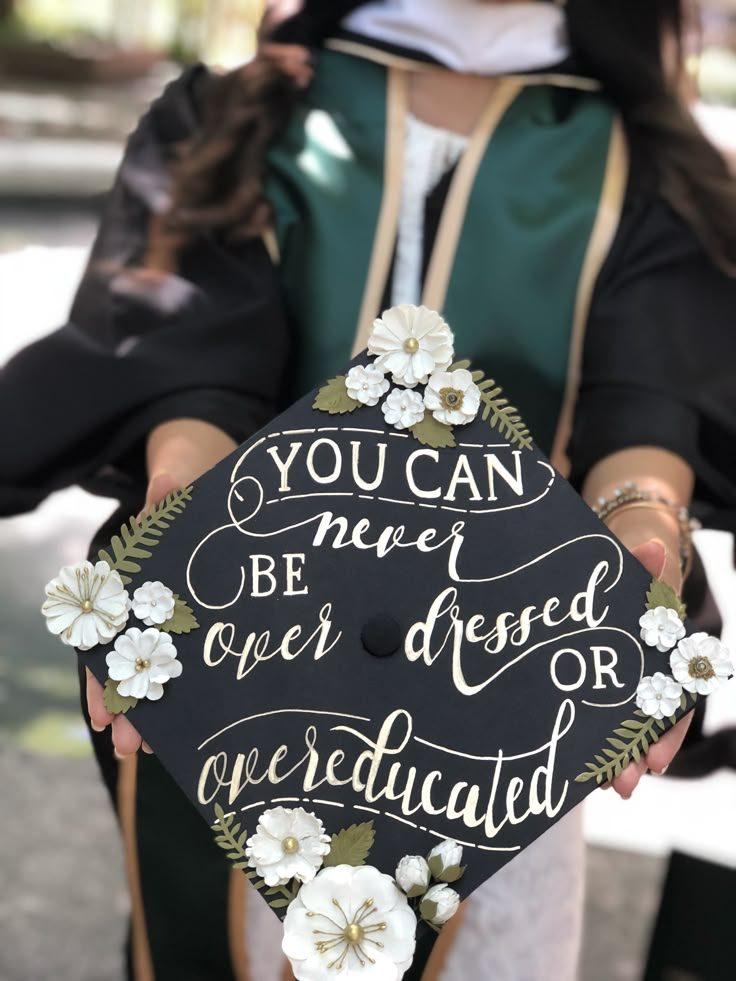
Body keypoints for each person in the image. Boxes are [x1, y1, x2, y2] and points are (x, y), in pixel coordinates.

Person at [2, 1, 736, 978]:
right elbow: (191, 359)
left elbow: (642, 413)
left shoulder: (635, 159)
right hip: (248, 651)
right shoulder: (247, 110)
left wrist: (640, 529)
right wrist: (182, 502)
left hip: (497, 688)